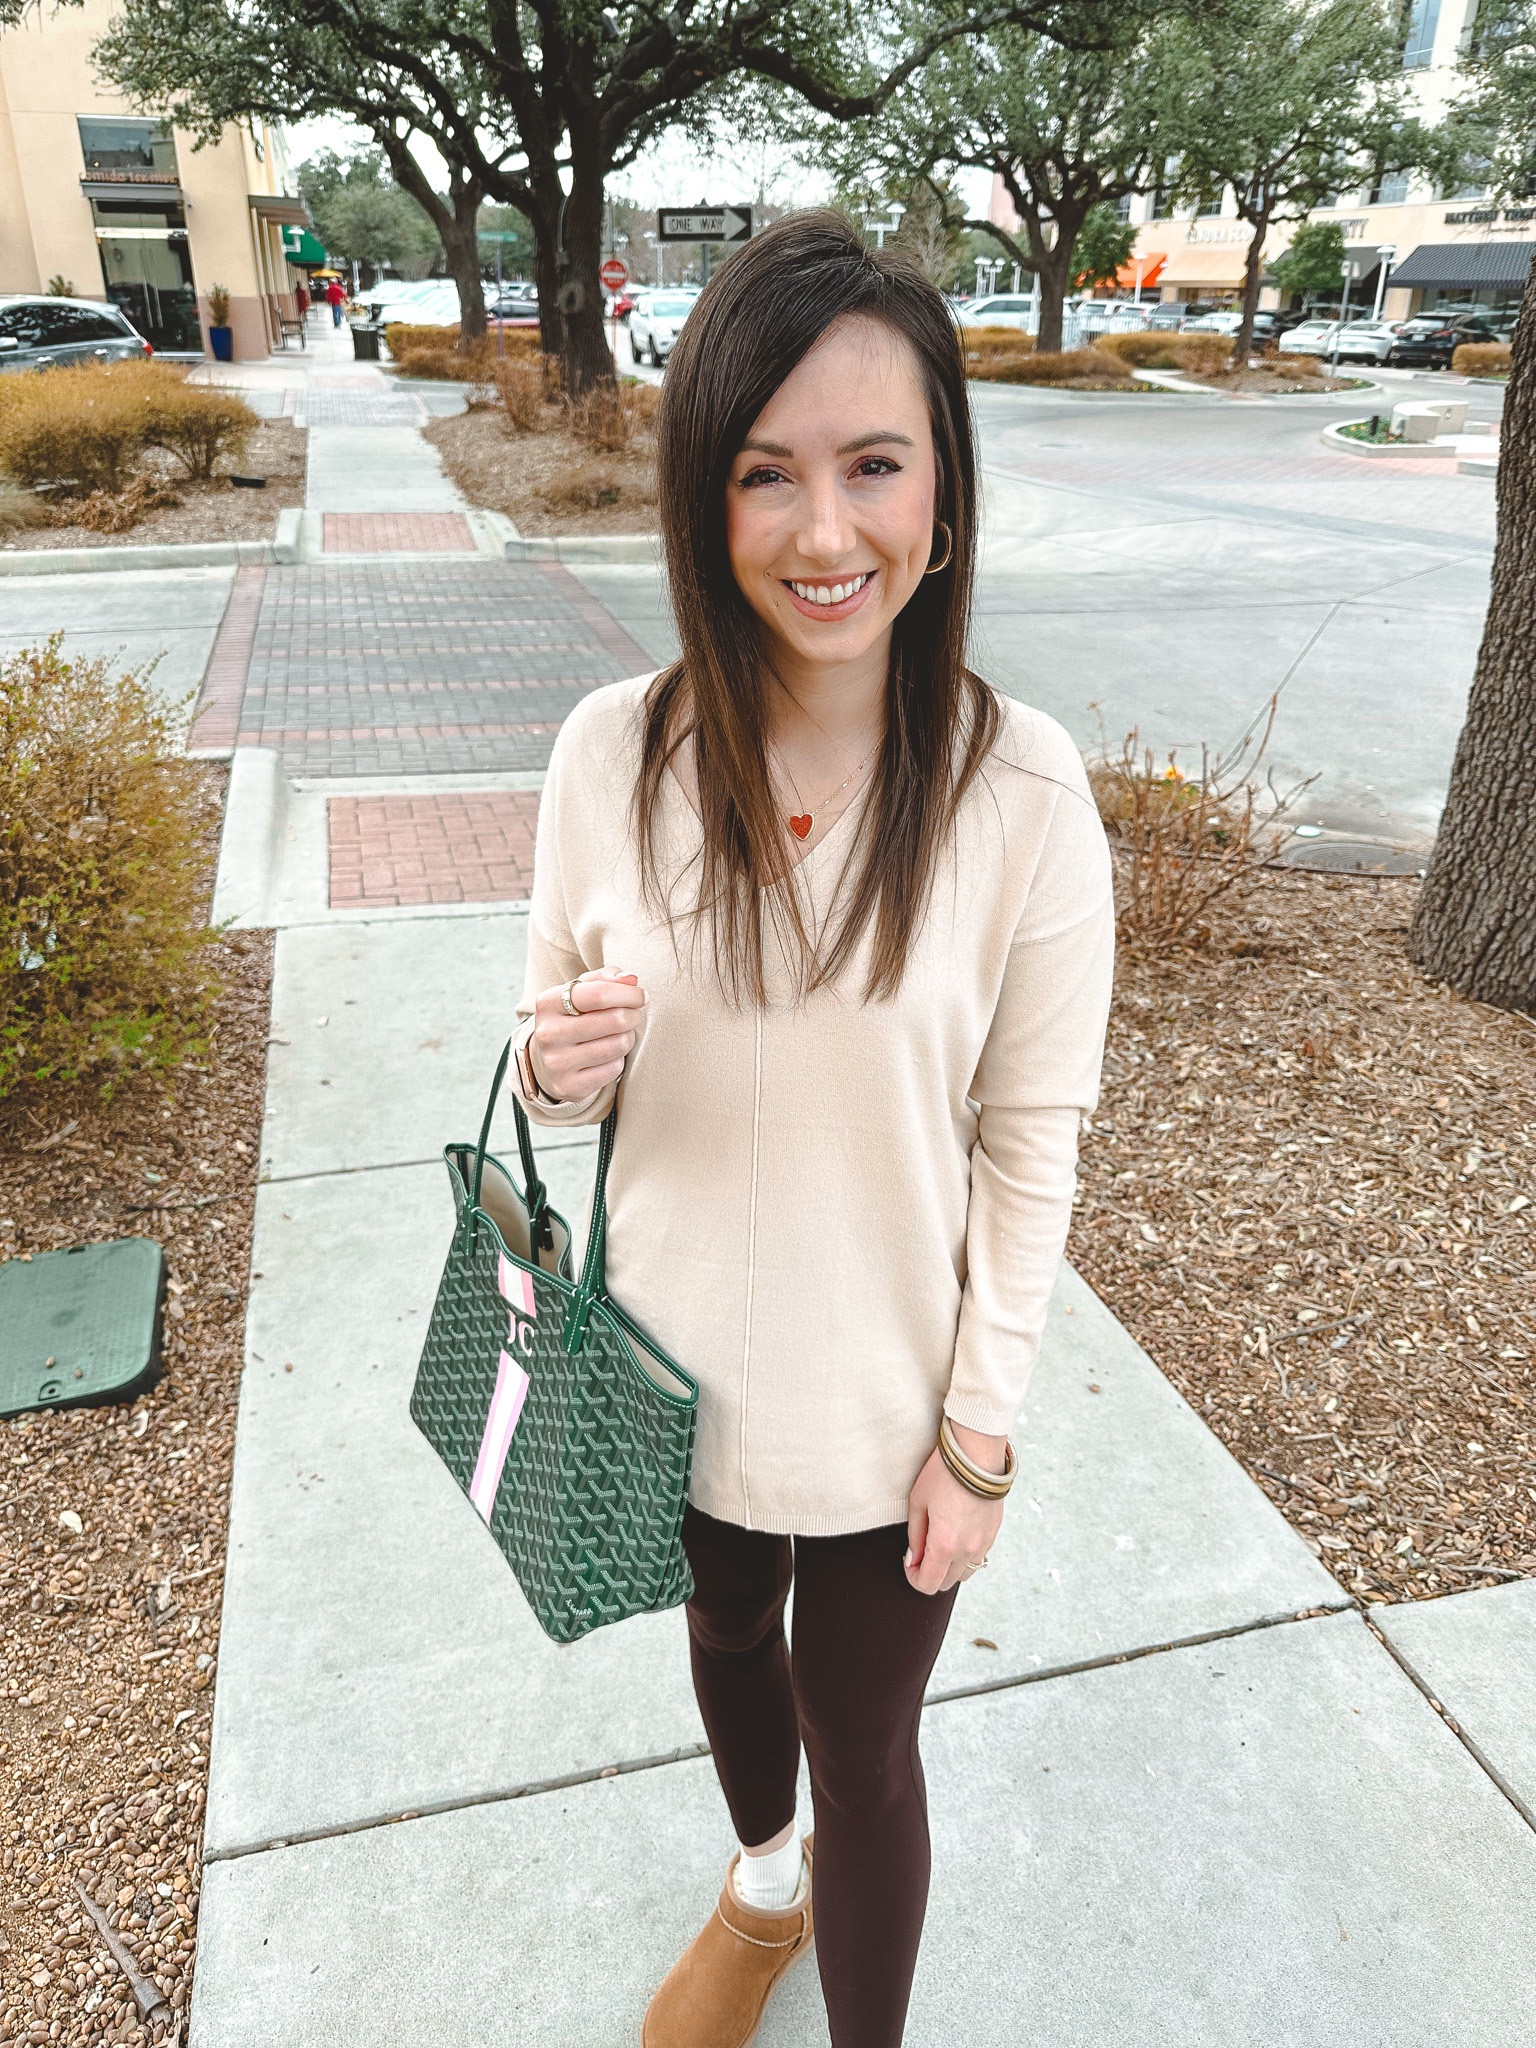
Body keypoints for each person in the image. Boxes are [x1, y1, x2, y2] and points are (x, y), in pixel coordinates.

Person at [511, 211, 1114, 2048]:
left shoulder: (1023, 793)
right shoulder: (611, 752)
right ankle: (755, 1890)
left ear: (944, 482)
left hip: (886, 1406)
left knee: (867, 1744)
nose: (826, 532)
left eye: (873, 464)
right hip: (666, 1371)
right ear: (706, 497)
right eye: (766, 474)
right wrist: (562, 1066)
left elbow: (1031, 1142)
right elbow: (547, 1046)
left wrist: (983, 1435)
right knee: (717, 1642)